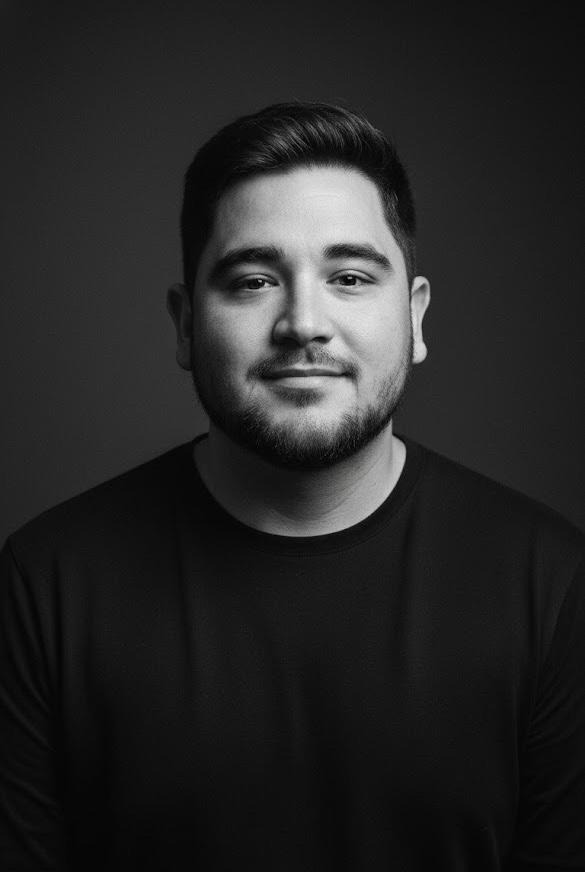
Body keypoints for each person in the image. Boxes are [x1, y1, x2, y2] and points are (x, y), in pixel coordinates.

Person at [1, 102, 584, 872]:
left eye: (349, 277)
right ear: (185, 325)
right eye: (253, 280)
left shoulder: (551, 585)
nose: (303, 322)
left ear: (414, 318)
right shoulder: (44, 586)